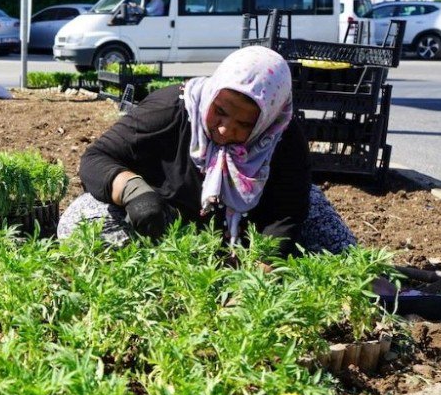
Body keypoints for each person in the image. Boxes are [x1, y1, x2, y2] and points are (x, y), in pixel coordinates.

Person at [57, 45, 356, 257]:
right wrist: (135, 192)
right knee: (79, 220)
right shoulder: (172, 109)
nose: (226, 129)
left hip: (249, 237)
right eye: (221, 111)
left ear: (267, 119)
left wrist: (259, 277)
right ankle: (171, 270)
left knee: (335, 242)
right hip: (167, 231)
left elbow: (285, 214)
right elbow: (96, 158)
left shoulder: (282, 137)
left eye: (245, 123)